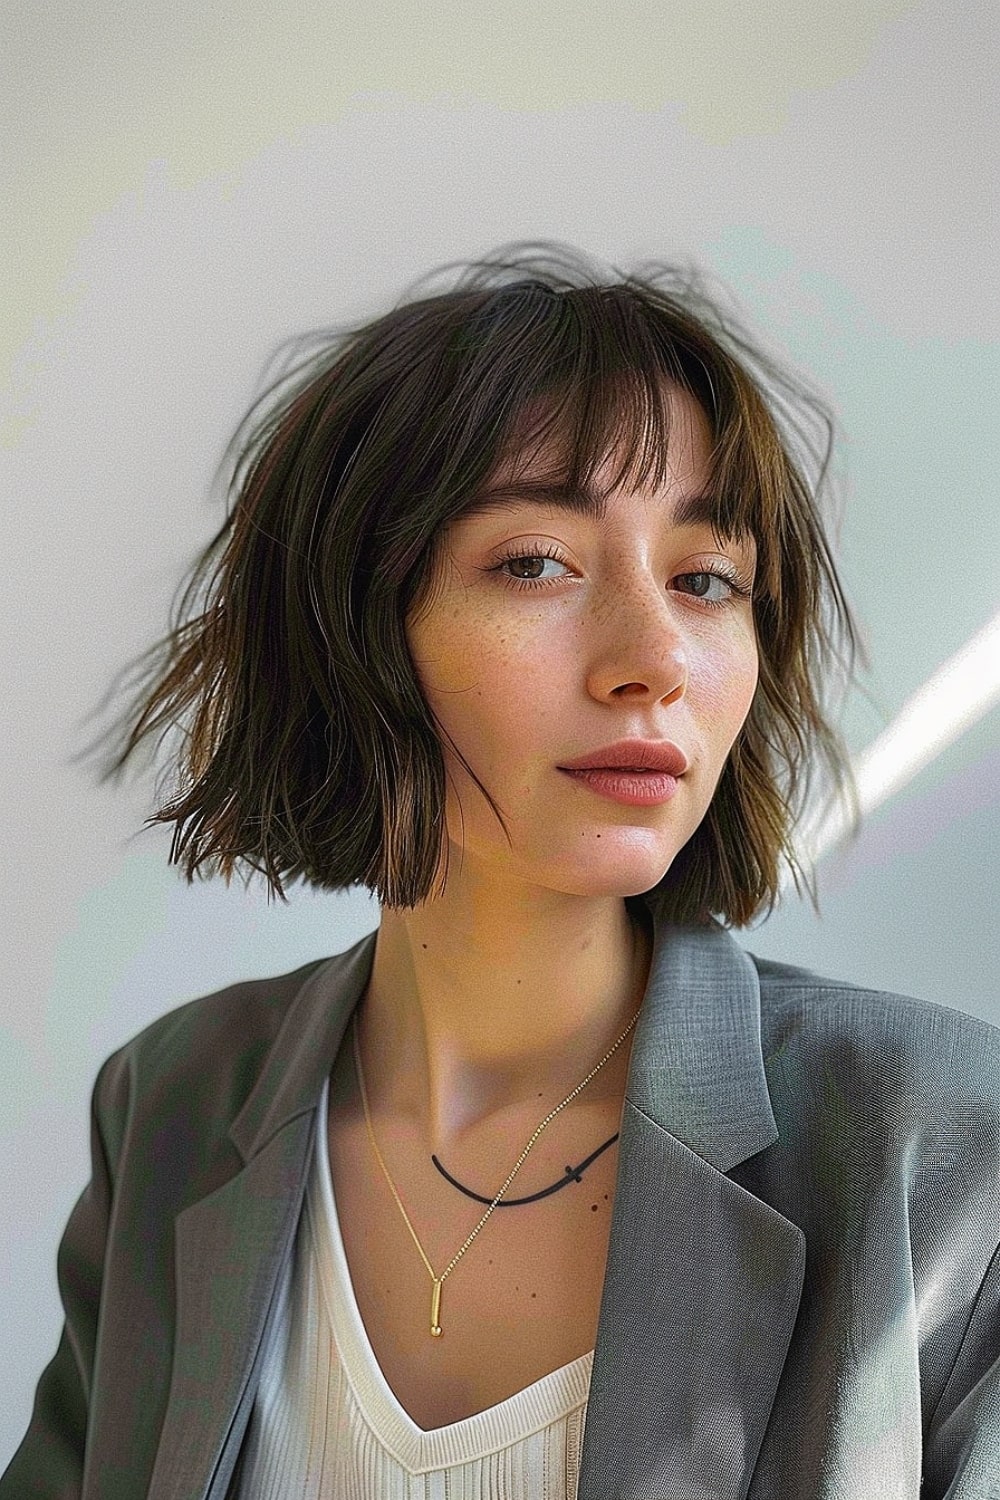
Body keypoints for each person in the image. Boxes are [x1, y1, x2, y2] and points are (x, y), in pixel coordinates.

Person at [3, 241, 998, 1500]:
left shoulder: (943, 1141)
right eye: (536, 563)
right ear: (350, 627)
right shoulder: (176, 1106)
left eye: (705, 579)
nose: (655, 660)